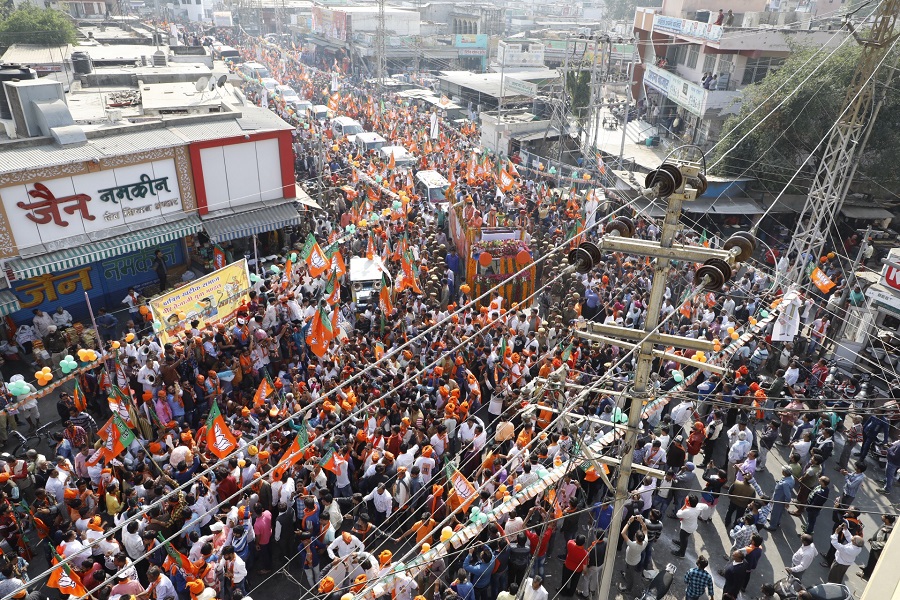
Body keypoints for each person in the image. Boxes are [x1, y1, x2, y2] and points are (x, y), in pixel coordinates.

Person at [859, 514, 894, 579]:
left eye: (883, 516)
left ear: (887, 520)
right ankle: (867, 569)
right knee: (870, 561)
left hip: (877, 549)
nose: (882, 516)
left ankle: (866, 575)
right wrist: (872, 539)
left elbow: (884, 542)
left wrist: (874, 543)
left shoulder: (888, 530)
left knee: (872, 562)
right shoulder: (885, 525)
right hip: (874, 546)